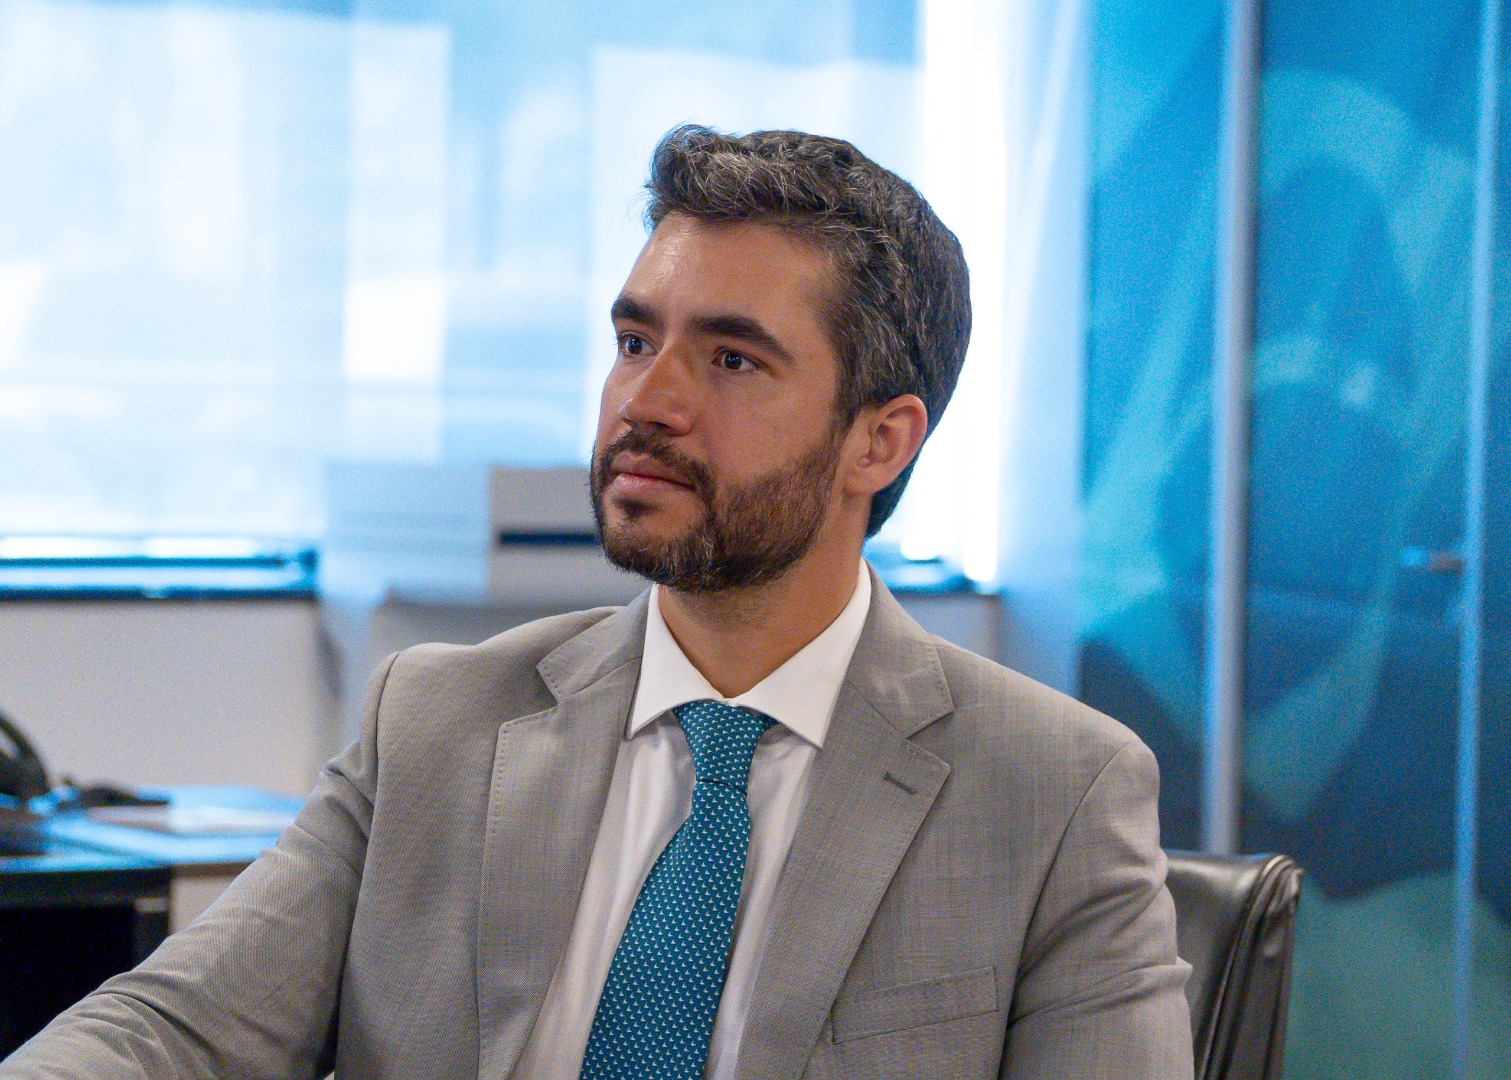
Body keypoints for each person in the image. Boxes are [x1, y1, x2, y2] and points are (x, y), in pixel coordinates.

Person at [1, 126, 1192, 1079]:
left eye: (730, 358)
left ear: (877, 442)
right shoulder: (438, 720)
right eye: (633, 341)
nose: (647, 402)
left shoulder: (1052, 790)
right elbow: (173, 1030)